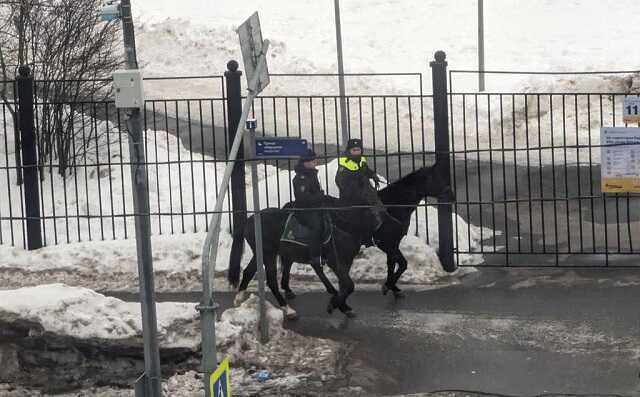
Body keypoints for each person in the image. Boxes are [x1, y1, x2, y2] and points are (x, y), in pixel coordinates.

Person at [335, 138, 385, 239]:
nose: (357, 152)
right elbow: (340, 182)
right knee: (363, 216)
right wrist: (356, 183)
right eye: (354, 150)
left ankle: (377, 232)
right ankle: (365, 238)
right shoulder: (344, 164)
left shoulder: (361, 160)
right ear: (349, 151)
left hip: (365, 192)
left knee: (378, 208)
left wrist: (372, 175)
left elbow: (365, 169)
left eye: (359, 150)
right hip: (351, 198)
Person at [292, 148, 325, 267]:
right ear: (305, 162)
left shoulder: (311, 174)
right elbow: (303, 199)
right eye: (313, 161)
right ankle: (314, 256)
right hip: (304, 210)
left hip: (315, 207)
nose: (315, 162)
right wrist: (320, 196)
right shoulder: (300, 178)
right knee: (316, 225)